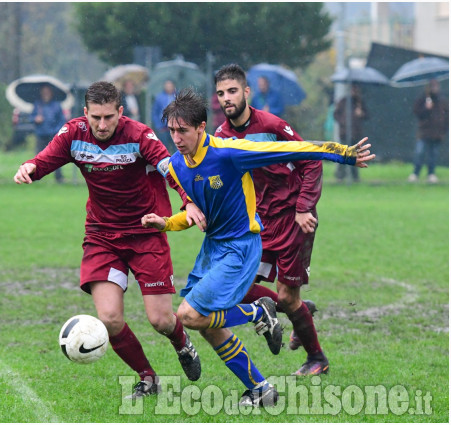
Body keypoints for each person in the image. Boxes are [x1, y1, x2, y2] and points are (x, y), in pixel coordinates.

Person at [141, 88, 374, 407]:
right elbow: (195, 212)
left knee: (188, 315)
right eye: (172, 131)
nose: (177, 138)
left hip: (241, 247)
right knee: (209, 326)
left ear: (201, 127)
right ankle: (260, 389)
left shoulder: (228, 153)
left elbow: (294, 150)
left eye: (183, 130)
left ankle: (257, 310)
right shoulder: (179, 166)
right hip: (213, 250)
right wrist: (167, 223)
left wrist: (344, 153)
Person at [14, 81, 205, 399]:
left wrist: (188, 200)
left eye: (109, 118)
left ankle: (182, 343)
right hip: (102, 237)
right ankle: (148, 378)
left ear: (120, 112)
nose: (102, 125)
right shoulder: (74, 134)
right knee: (110, 318)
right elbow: (44, 160)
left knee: (160, 320)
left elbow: (170, 169)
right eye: (96, 118)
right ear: (86, 113)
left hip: (146, 233)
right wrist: (29, 168)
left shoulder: (139, 135)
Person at [213, 64, 327, 376]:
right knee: (238, 289)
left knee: (289, 297)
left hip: (293, 217)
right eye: (221, 93)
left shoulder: (272, 125)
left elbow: (311, 160)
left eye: (233, 91)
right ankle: (300, 313)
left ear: (247, 92)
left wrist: (304, 207)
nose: (227, 98)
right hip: (260, 223)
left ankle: (317, 358)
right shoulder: (221, 137)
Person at [408, 79, 449, 184]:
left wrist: (444, 130)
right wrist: (426, 108)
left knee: (433, 154)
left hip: (437, 133)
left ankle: (431, 173)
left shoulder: (442, 100)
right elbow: (417, 113)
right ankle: (415, 173)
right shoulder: (423, 99)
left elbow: (446, 116)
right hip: (424, 132)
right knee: (419, 152)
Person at [29, 85, 68, 183]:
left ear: (51, 93)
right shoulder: (37, 105)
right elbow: (31, 117)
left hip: (53, 135)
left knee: (56, 157)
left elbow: (61, 120)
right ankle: (35, 176)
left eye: (47, 92)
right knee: (38, 157)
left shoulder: (56, 105)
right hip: (40, 134)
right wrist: (35, 119)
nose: (46, 94)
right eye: (44, 92)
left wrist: (56, 131)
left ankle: (59, 178)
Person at [333, 84, 368, 183]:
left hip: (356, 133)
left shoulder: (359, 103)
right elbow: (336, 114)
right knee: (343, 154)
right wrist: (343, 122)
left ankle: (355, 177)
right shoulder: (344, 101)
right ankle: (340, 176)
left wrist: (361, 113)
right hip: (345, 132)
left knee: (355, 155)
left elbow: (367, 115)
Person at [152, 79, 177, 153]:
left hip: (176, 127)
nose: (168, 87)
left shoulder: (177, 96)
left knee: (176, 147)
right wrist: (158, 126)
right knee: (164, 148)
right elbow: (154, 112)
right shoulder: (159, 97)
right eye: (167, 85)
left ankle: (177, 163)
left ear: (173, 86)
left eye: (170, 85)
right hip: (163, 127)